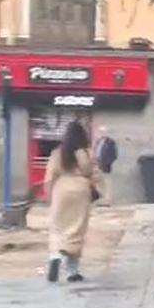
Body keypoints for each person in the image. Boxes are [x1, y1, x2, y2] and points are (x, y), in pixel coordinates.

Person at [45, 121, 103, 283]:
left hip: (61, 189)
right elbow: (91, 172)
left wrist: (49, 194)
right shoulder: (86, 152)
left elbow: (50, 175)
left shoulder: (58, 152)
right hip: (80, 190)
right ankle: (73, 271)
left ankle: (55, 255)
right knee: (77, 227)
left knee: (58, 225)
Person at [93, 126, 118, 206]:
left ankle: (108, 201)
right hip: (97, 165)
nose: (101, 133)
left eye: (103, 132)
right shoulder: (98, 142)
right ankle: (101, 200)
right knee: (99, 183)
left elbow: (114, 154)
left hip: (106, 166)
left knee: (108, 184)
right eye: (100, 132)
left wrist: (108, 162)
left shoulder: (110, 142)